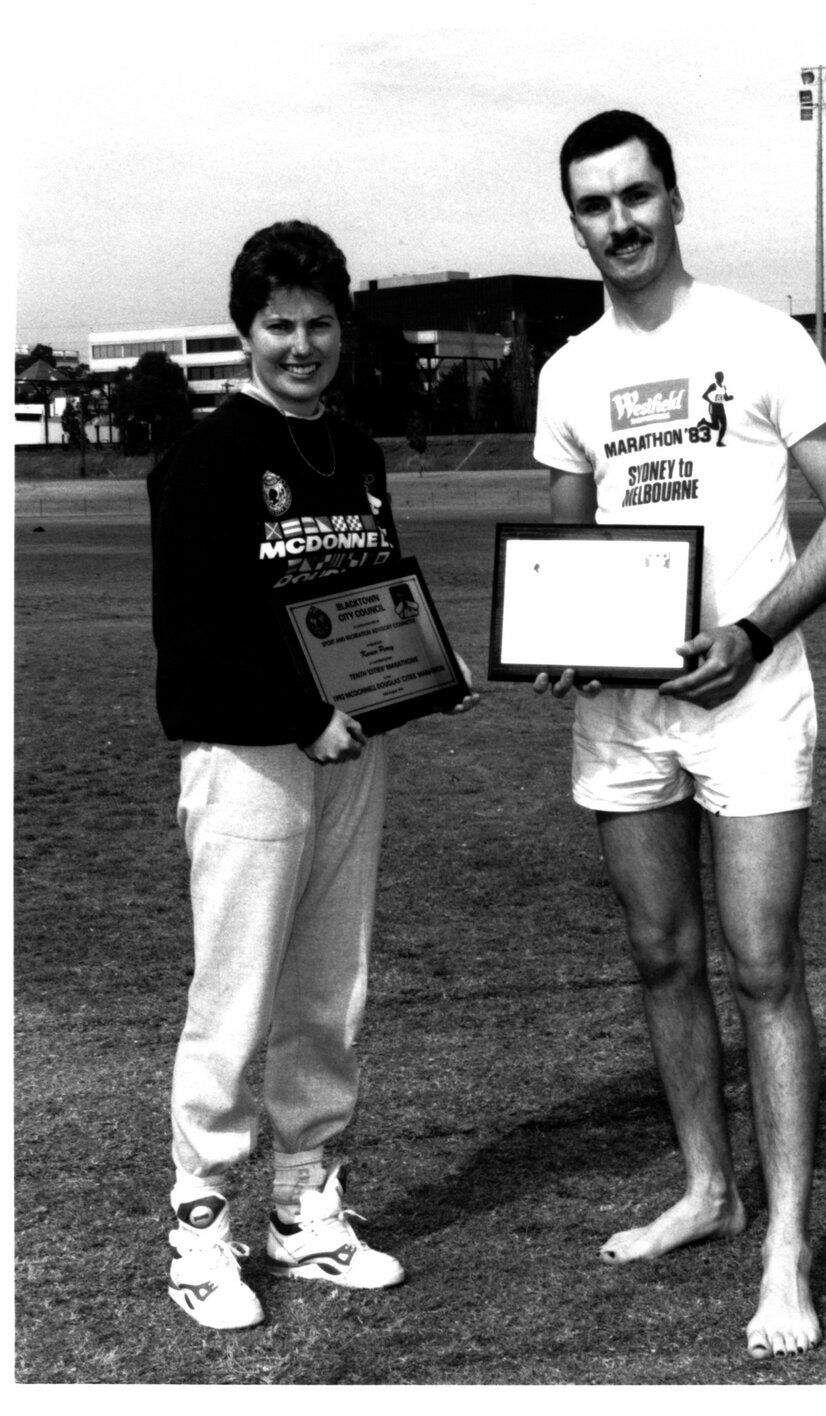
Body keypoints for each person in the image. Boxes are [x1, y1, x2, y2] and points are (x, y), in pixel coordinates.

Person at [533, 112, 826, 1359]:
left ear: (674, 199)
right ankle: (706, 1189)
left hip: (747, 692)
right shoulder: (567, 372)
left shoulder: (755, 335)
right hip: (623, 713)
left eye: (635, 196)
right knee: (660, 956)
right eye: (592, 204)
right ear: (572, 221)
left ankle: (785, 1243)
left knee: (764, 967)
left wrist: (753, 628)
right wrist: (562, 631)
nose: (617, 222)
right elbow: (570, 546)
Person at [148, 219, 477, 1330]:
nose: (302, 344)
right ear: (246, 332)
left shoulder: (353, 447)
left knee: (329, 987)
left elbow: (370, 593)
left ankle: (303, 1205)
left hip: (349, 754)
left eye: (319, 323)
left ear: (344, 327)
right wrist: (301, 713)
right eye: (280, 325)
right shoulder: (209, 457)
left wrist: (427, 670)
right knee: (235, 993)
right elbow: (199, 634)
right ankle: (200, 1223)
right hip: (253, 759)